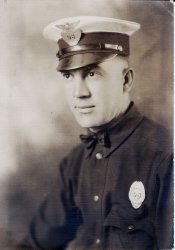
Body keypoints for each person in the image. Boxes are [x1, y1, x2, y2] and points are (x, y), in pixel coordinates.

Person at [21, 16, 173, 249]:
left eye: (92, 73)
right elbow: (35, 244)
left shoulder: (164, 157)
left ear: (126, 80)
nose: (78, 93)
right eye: (68, 76)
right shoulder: (75, 163)